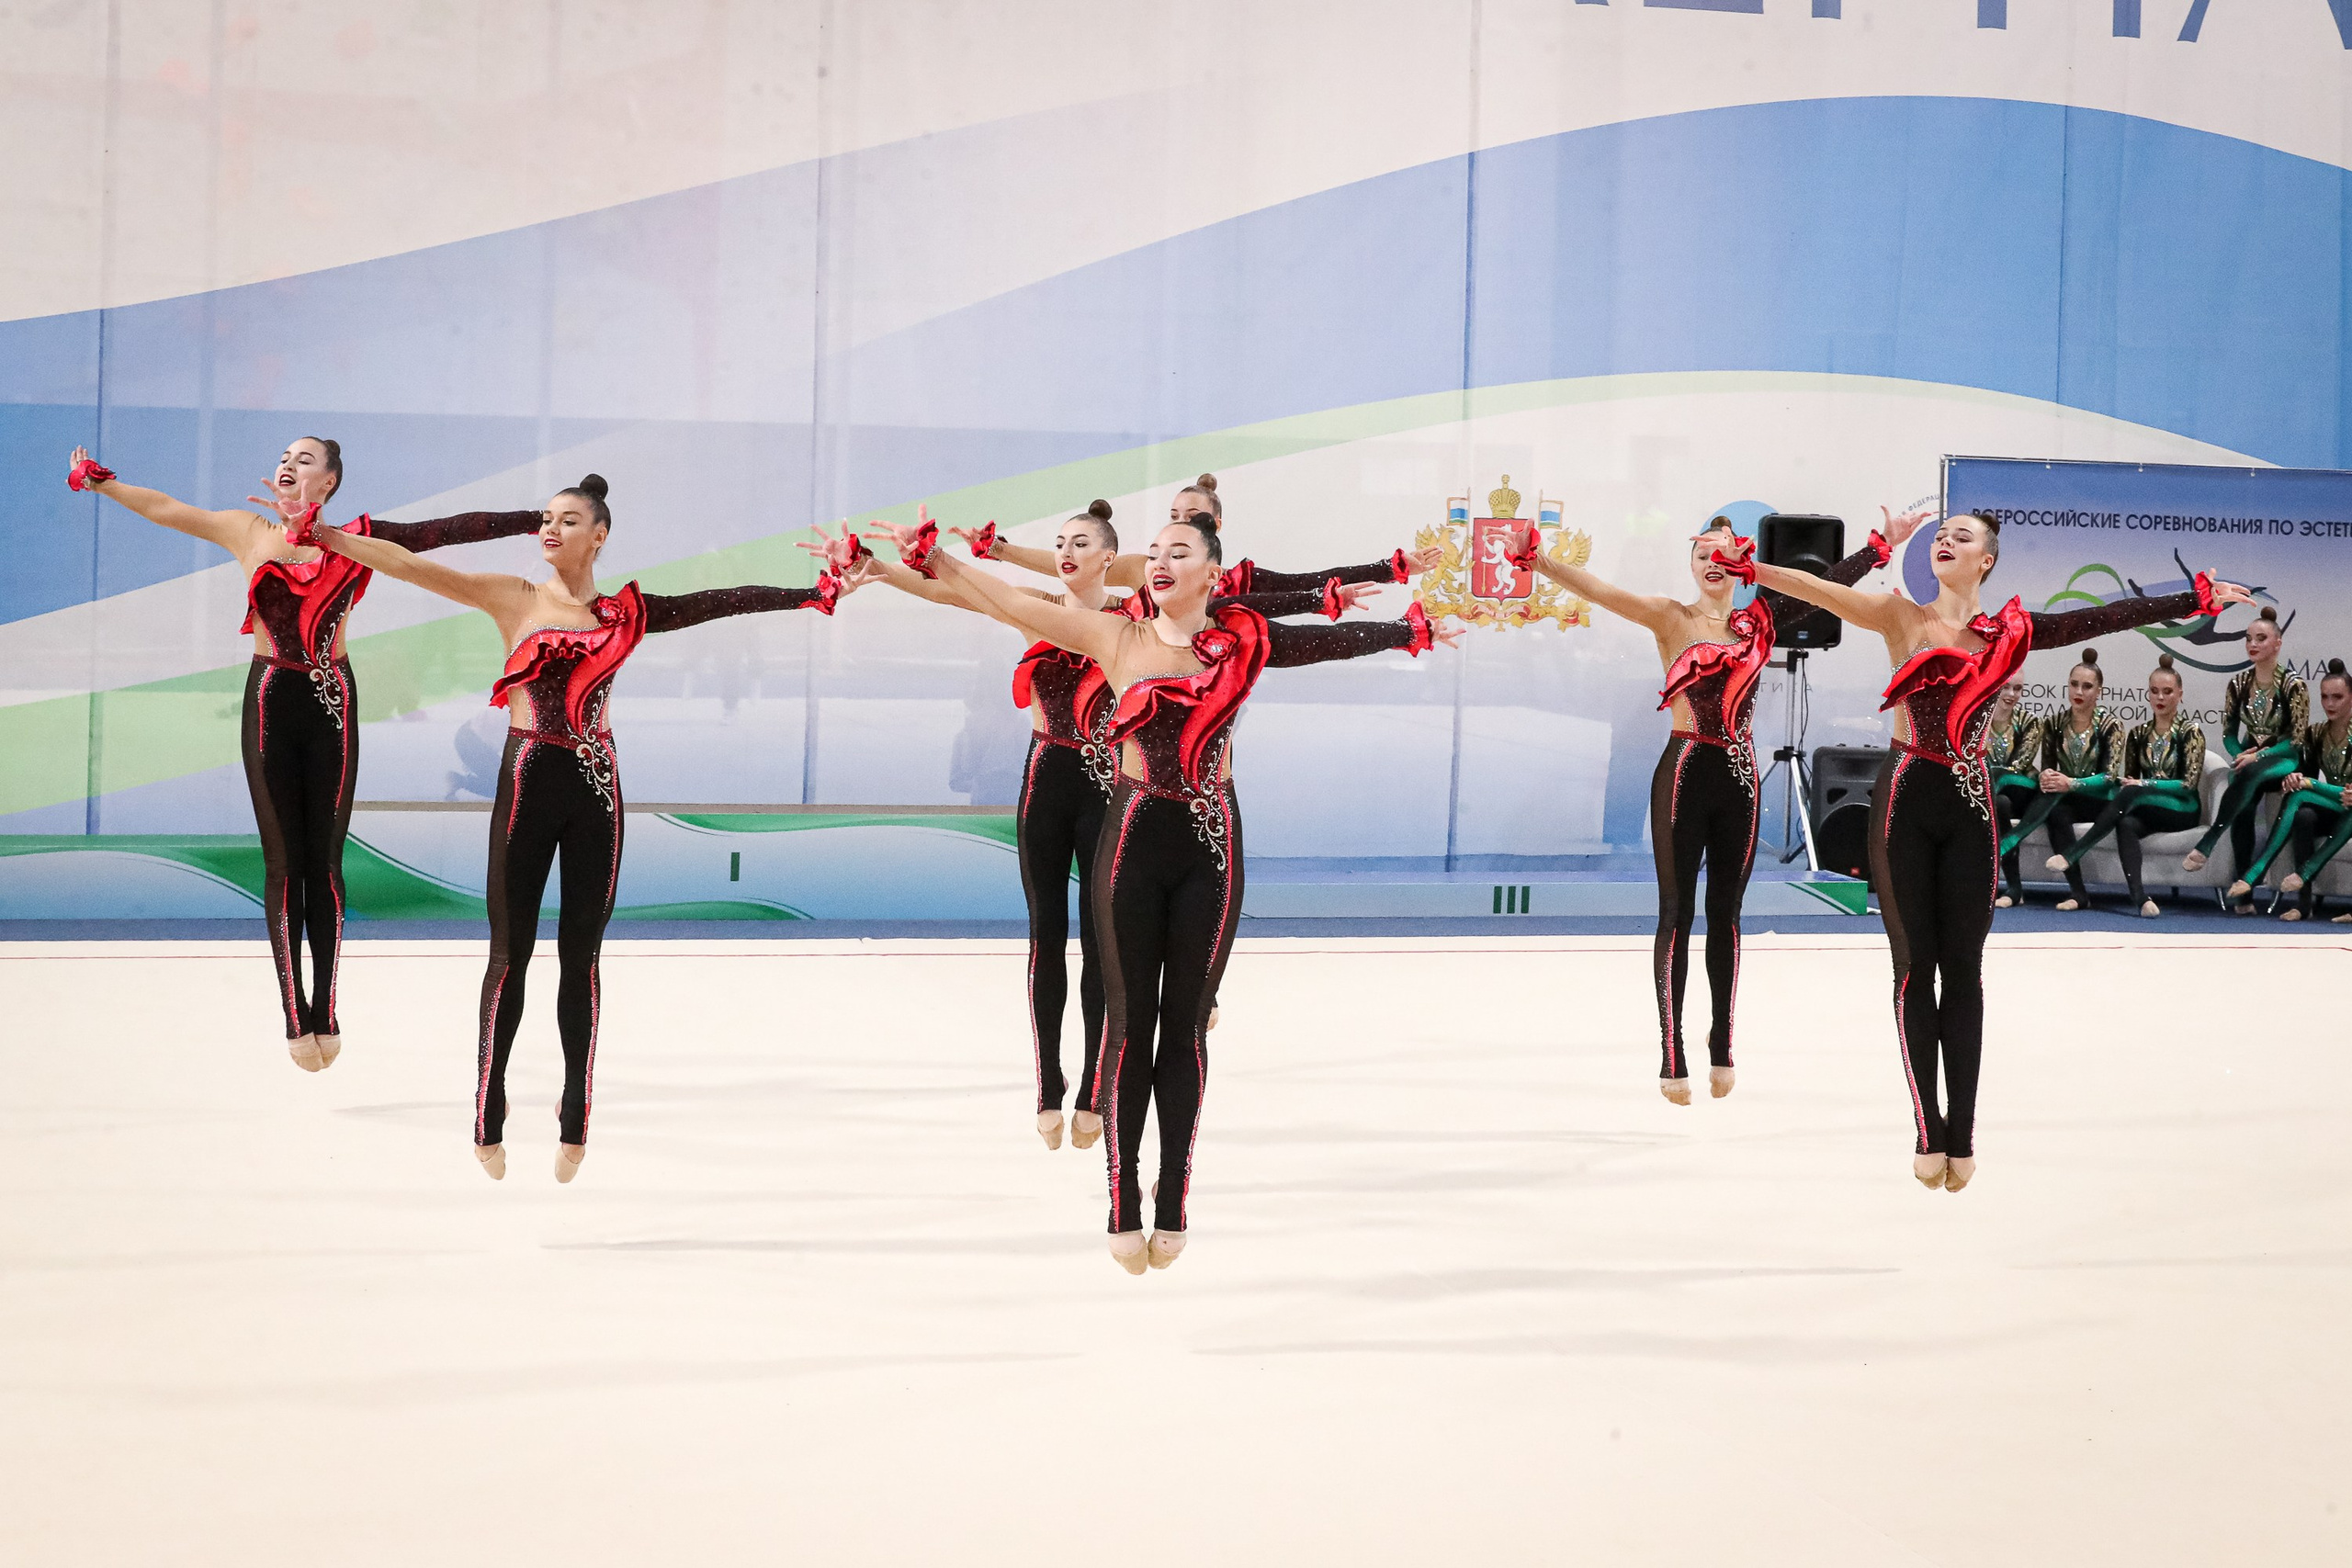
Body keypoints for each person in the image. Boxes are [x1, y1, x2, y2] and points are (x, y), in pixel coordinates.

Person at [882, 510, 1456, 1271]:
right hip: (1133, 840)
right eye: (1154, 551)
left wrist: (1406, 632)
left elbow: (1325, 642)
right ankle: (1122, 1192)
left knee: (1184, 1029)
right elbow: (1011, 602)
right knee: (1131, 1026)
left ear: (1212, 573)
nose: (1159, 561)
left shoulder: (1245, 640)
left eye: (1177, 551)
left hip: (1210, 848)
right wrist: (938, 559)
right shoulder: (1118, 638)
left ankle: (1174, 1190)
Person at [309, 475, 869, 1182]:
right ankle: (489, 1100)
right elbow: (409, 565)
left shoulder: (624, 614)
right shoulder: (513, 597)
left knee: (582, 957)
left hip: (596, 790)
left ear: (599, 535)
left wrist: (814, 593)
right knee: (510, 954)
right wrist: (326, 536)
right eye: (546, 518)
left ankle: (576, 1103)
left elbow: (718, 602)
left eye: (567, 520)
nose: (550, 528)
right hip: (527, 782)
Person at [1719, 513, 2246, 1192]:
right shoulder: (1899, 616)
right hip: (1904, 804)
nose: (1946, 541)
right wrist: (1751, 567)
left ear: (1987, 560)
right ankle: (1927, 1124)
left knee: (1963, 971)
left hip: (1970, 809)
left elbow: (2105, 617)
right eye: (1942, 535)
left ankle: (1963, 1130)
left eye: (1962, 536)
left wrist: (2193, 599)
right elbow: (1816, 589)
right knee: (1915, 970)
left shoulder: (2012, 634)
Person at [841, 505, 1375, 1153]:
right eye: (1059, 544)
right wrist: (881, 567)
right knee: (1046, 932)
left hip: (1110, 788)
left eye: (1080, 543)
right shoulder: (1044, 609)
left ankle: (1098, 1084)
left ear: (1110, 560)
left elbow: (1236, 603)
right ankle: (1049, 1080)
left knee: (1104, 946)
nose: (1065, 552)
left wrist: (1326, 597)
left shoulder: (1133, 627)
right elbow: (958, 592)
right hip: (1047, 779)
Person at [65, 440, 545, 1073]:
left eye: (306, 458)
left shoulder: (358, 542)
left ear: (330, 481)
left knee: (324, 862)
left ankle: (326, 1003)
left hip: (331, 703)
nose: (289, 463)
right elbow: (166, 509)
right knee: (284, 862)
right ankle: (295, 1011)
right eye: (285, 455)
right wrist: (103, 483)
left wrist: (534, 518)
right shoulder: (249, 532)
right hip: (271, 699)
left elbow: (448, 530)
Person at [1519, 506, 1927, 1102]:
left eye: (1723, 551)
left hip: (1738, 780)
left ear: (1740, 563)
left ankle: (1722, 1041)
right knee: (1676, 913)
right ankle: (1672, 1049)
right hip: (1684, 774)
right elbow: (1602, 591)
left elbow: (1824, 587)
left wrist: (1877, 548)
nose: (1713, 560)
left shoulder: (1760, 622)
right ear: (1690, 564)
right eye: (1701, 552)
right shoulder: (1670, 617)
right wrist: (1542, 563)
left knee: (1727, 916)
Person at [961, 472, 1442, 599]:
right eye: (1174, 515)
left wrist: (1390, 569)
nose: (1182, 521)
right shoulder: (1144, 569)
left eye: (1194, 516)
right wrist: (998, 550)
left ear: (1216, 525)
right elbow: (1070, 566)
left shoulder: (1237, 582)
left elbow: (1311, 583)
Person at [2051, 653, 2205, 917]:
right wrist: (2134, 785)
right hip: (2149, 807)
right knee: (2126, 823)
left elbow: (2188, 784)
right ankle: (2140, 898)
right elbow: (2130, 781)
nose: (2160, 697)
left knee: (2132, 791)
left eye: (2167, 692)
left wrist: (2144, 783)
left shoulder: (2190, 732)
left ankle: (2075, 851)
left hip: (2182, 808)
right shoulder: (2139, 734)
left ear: (2180, 694)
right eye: (2154, 691)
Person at [2184, 606, 2306, 911]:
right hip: (2250, 760)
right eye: (2248, 638)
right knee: (2243, 805)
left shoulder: (2293, 685)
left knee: (2248, 775)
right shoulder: (2238, 684)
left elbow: (2297, 739)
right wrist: (2240, 753)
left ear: (2277, 643)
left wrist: (2260, 755)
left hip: (2284, 760)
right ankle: (2244, 896)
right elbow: (2228, 733)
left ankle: (2210, 840)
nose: (2253, 644)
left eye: (2261, 638)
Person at [2002, 648, 2124, 911]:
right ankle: (2079, 893)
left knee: (2056, 798)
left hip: (2099, 798)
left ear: (2099, 691)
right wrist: (2046, 775)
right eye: (2074, 684)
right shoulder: (2055, 723)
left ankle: (2014, 837)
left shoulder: (2110, 725)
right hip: (2065, 797)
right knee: (2055, 809)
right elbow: (2048, 767)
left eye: (2087, 686)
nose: (2079, 691)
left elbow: (2110, 776)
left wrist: (2072, 783)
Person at [2229, 659, 2352, 922]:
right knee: (2304, 813)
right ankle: (2304, 905)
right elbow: (2307, 774)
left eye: (2338, 697)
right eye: (2325, 697)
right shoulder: (2317, 733)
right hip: (2336, 804)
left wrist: (2310, 784)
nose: (2330, 704)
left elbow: (2314, 784)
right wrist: (2297, 777)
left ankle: (2260, 872)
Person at [1984, 681, 2043, 908]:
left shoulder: (2030, 722)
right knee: (2000, 803)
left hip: (2020, 791)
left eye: (2017, 689)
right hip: (1991, 795)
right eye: (2005, 687)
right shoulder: (1977, 720)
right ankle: (2012, 888)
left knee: (2002, 797)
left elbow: (2017, 766)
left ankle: (2013, 888)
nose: (2011, 694)